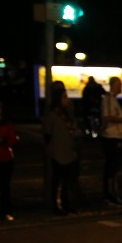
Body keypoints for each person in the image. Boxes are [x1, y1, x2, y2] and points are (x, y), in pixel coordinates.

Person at [42, 83, 81, 216]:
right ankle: (56, 205)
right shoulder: (53, 115)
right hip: (58, 151)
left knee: (67, 180)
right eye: (64, 97)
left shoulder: (67, 114)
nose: (67, 99)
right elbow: (47, 134)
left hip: (68, 150)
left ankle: (67, 203)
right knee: (58, 180)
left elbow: (73, 131)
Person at [100, 76, 122, 206]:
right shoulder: (108, 100)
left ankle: (112, 193)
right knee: (112, 166)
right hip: (111, 137)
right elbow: (107, 117)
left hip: (115, 136)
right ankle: (110, 194)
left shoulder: (113, 100)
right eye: (119, 85)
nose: (121, 88)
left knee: (114, 166)